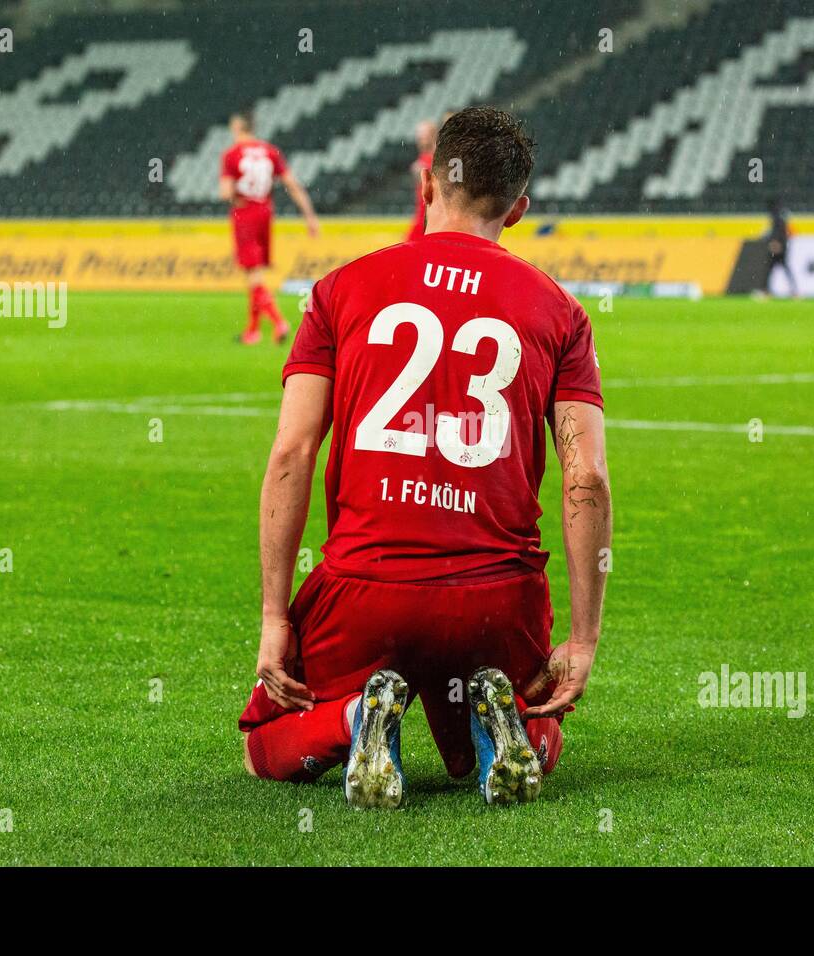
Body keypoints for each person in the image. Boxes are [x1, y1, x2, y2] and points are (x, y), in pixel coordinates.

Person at [238, 106, 612, 809]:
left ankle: (353, 719)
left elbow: (291, 452)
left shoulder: (339, 290)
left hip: (366, 589)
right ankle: (508, 730)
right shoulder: (560, 312)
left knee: (265, 741)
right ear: (519, 209)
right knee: (538, 702)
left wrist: (274, 616)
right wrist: (583, 638)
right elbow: (585, 476)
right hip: (494, 601)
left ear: (425, 184)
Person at [218, 110, 319, 345]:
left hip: (244, 212)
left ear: (237, 128)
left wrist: (234, 198)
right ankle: (252, 331)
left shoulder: (232, 154)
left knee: (253, 274)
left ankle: (278, 321)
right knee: (255, 272)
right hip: (265, 212)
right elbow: (292, 185)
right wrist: (310, 216)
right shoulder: (270, 151)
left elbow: (225, 192)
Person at [405, 119, 437, 241]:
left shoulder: (438, 159)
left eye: (422, 136)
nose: (419, 140)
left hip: (431, 220)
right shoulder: (422, 158)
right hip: (422, 218)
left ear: (433, 135)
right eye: (418, 137)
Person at [760, 197, 797, 298]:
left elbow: (776, 233)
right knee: (784, 269)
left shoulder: (776, 218)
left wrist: (775, 243)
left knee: (769, 269)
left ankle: (766, 291)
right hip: (783, 247)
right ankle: (794, 291)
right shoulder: (782, 217)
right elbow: (784, 233)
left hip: (778, 247)